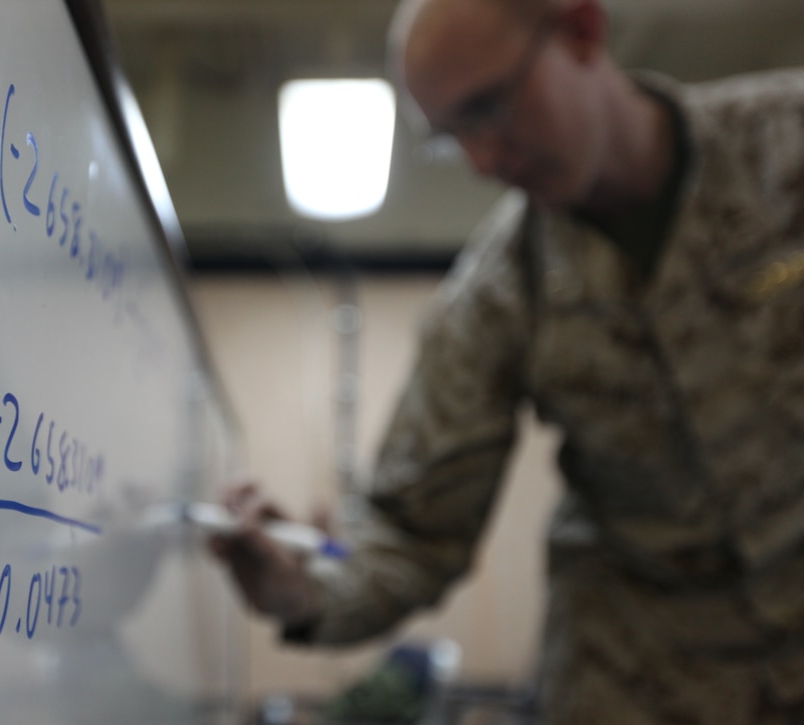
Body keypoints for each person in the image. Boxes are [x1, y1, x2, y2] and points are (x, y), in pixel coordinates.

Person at [209, 0, 804, 722]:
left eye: (490, 107)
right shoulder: (499, 290)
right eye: (452, 136)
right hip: (645, 679)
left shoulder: (784, 150)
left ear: (582, 31)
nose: (483, 161)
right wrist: (300, 591)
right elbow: (414, 527)